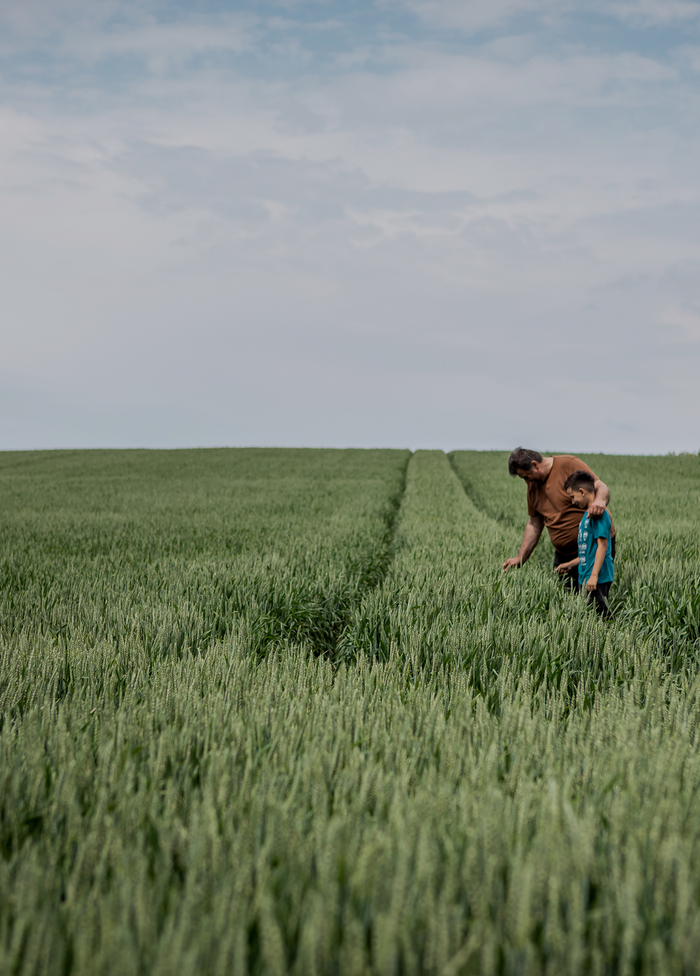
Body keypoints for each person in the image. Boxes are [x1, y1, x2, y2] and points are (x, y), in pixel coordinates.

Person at [502, 447, 614, 587]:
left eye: (525, 476)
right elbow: (534, 524)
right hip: (564, 554)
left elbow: (599, 485)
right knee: (565, 598)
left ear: (535, 465)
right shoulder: (532, 486)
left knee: (593, 597)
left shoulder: (568, 464)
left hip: (593, 545)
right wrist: (520, 557)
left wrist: (599, 501)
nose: (526, 481)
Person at [555, 470, 615, 616]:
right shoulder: (585, 516)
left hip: (597, 578)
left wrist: (594, 576)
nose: (572, 502)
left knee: (599, 617)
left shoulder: (598, 515)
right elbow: (589, 551)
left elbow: (602, 546)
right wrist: (570, 564)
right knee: (588, 616)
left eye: (572, 496)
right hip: (585, 576)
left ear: (582, 492)